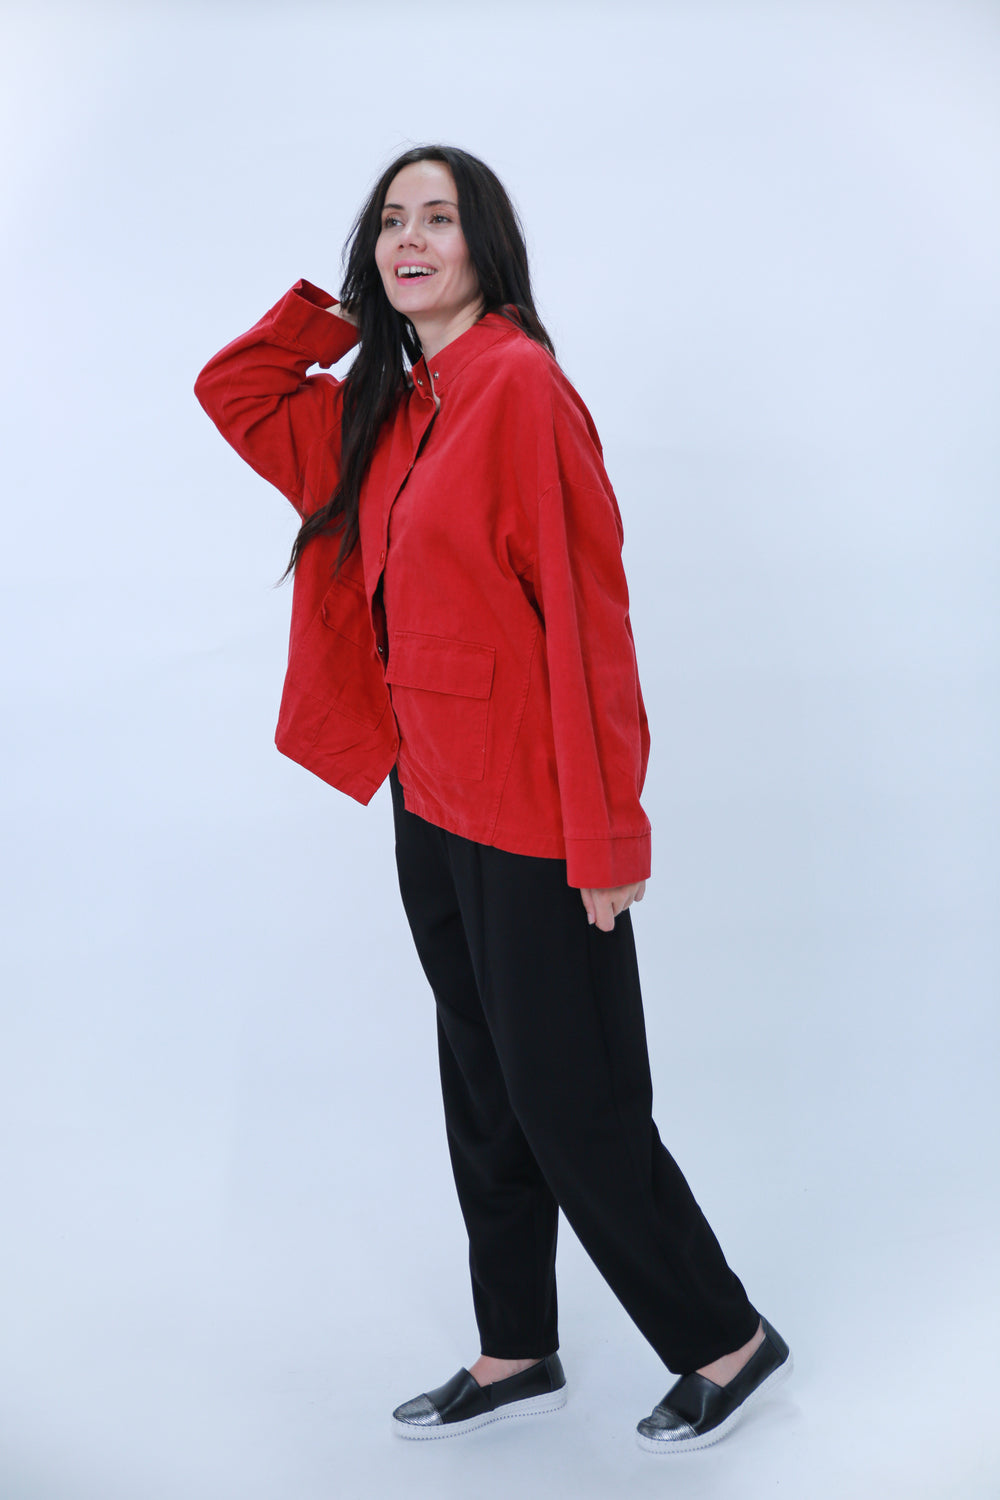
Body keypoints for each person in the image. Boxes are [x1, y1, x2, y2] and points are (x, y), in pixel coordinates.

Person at [194, 144, 792, 1453]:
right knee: (483, 1084)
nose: (412, 239)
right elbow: (234, 391)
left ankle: (726, 1339)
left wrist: (609, 835)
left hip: (532, 812)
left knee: (575, 1099)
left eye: (439, 219)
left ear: (487, 245)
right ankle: (516, 1346)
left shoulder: (520, 388)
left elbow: (589, 621)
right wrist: (344, 313)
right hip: (429, 799)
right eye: (391, 223)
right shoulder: (389, 407)